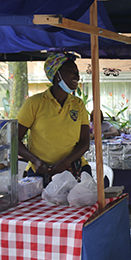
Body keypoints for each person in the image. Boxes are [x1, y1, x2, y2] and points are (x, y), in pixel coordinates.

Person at [16, 52, 91, 185]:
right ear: (57, 75)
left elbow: (84, 142)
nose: (77, 76)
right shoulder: (34, 103)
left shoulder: (78, 104)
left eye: (77, 71)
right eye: (71, 70)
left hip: (75, 169)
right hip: (42, 172)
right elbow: (14, 139)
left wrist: (64, 163)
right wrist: (35, 160)